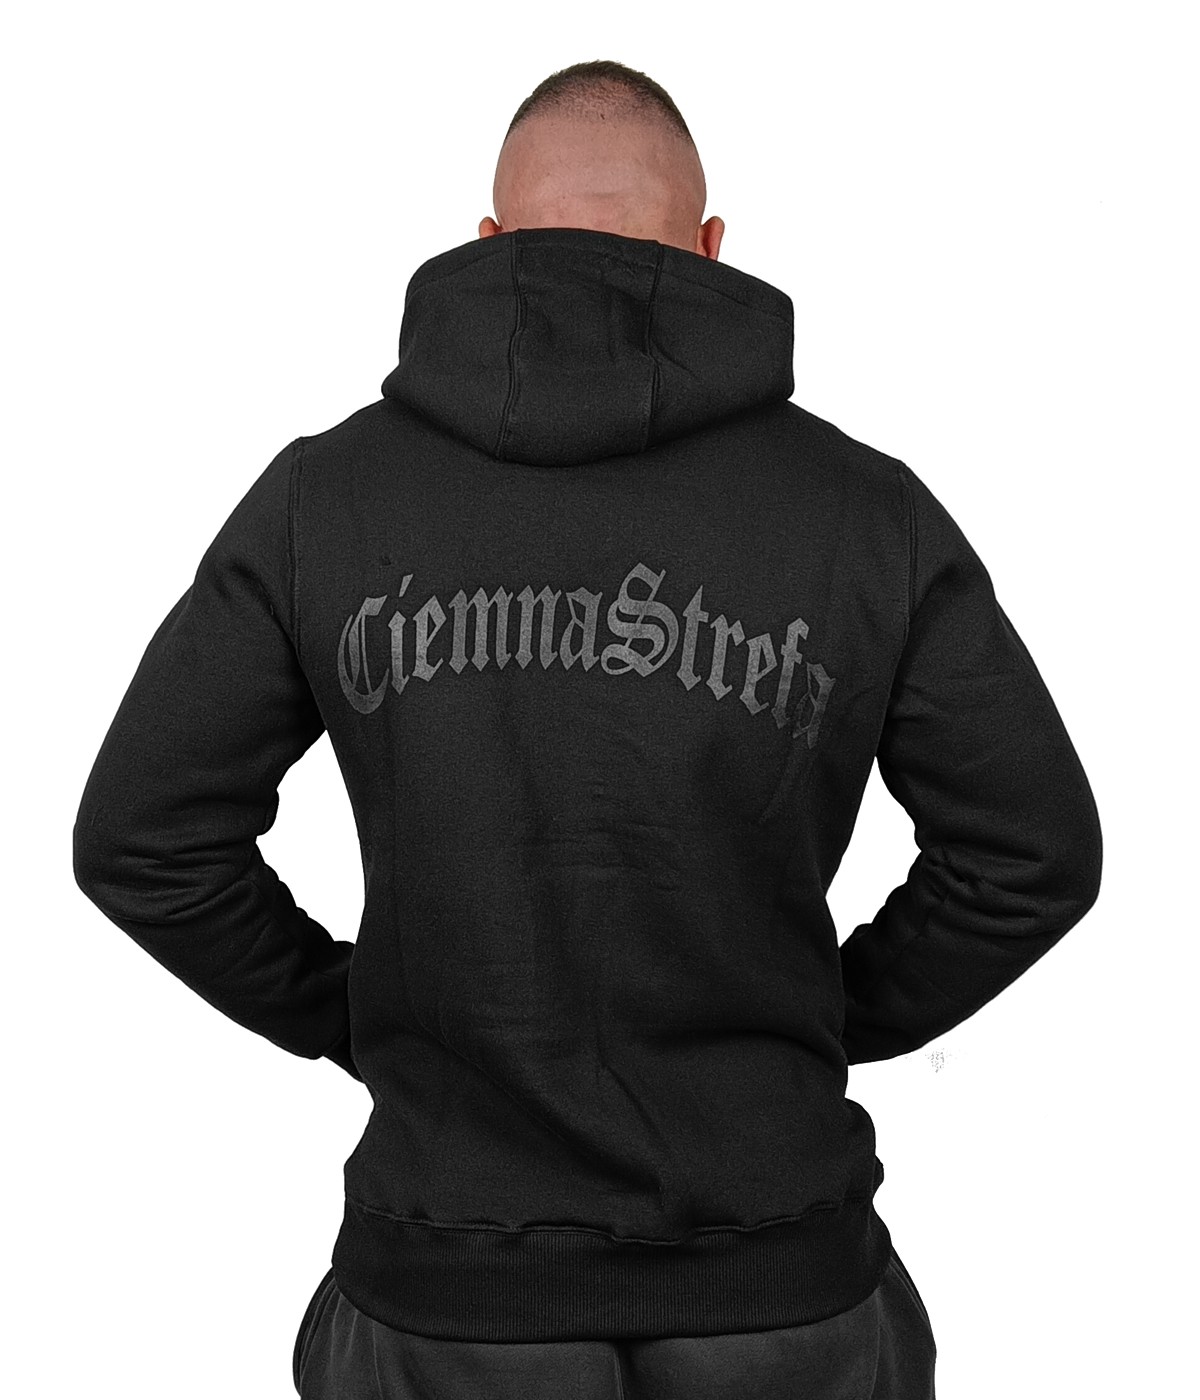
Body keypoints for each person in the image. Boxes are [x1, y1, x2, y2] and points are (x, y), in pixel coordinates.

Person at [72, 58, 1103, 1399]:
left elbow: (143, 839)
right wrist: (819, 1022)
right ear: (712, 249)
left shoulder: (327, 497)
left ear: (489, 242)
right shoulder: (867, 512)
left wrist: (365, 1016)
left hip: (447, 1294)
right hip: (783, 1289)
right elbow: (1033, 852)